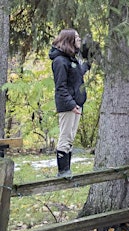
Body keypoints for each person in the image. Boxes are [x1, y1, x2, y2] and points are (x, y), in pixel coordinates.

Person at [49, 29, 91, 178]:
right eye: (77, 38)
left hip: (76, 104)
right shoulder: (60, 61)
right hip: (68, 106)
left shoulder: (71, 59)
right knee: (65, 137)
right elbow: (60, 87)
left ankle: (68, 170)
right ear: (69, 40)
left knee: (71, 138)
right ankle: (63, 171)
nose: (79, 40)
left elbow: (79, 73)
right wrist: (71, 104)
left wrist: (89, 63)